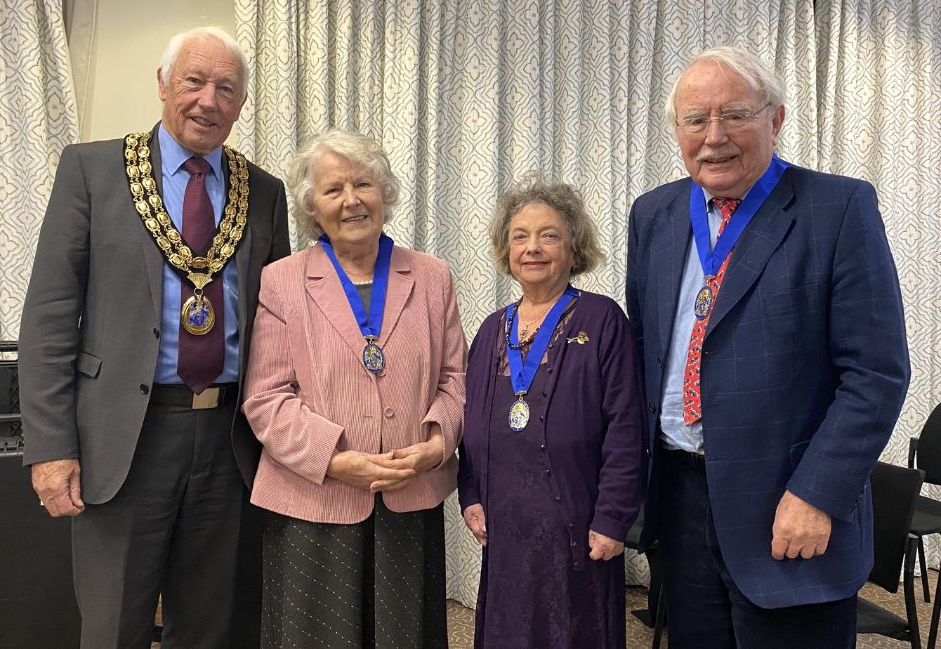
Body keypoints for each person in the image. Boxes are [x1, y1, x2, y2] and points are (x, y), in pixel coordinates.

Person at [626, 45, 910, 647]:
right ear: (677, 130)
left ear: (775, 119)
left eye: (735, 115)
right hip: (681, 500)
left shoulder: (838, 208)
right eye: (695, 119)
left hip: (789, 503)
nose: (714, 137)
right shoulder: (654, 214)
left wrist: (817, 493)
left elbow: (876, 374)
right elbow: (644, 351)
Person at [19, 26, 291, 647]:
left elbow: (279, 323)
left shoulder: (265, 193)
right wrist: (51, 447)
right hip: (122, 438)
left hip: (229, 440)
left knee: (213, 624)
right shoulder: (92, 170)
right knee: (116, 623)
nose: (208, 100)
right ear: (164, 85)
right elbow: (50, 317)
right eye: (194, 81)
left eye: (226, 89)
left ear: (242, 104)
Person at [241, 128, 466, 648]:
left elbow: (456, 379)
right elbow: (267, 398)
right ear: (311, 208)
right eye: (333, 190)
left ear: (383, 192)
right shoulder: (281, 280)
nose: (351, 201)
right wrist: (336, 460)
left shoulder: (432, 277)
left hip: (409, 493)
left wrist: (437, 445)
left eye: (362, 184)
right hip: (313, 497)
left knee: (403, 634)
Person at [457, 175, 645, 648]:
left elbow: (626, 427)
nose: (533, 248)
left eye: (549, 235)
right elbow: (469, 422)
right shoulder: (490, 329)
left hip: (577, 523)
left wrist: (613, 519)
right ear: (506, 250)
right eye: (520, 236)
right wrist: (470, 493)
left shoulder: (603, 320)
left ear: (573, 247)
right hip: (506, 520)